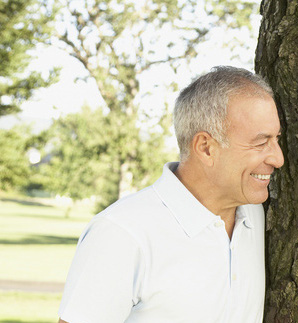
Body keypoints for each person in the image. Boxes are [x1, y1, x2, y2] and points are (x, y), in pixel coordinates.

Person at [57, 66, 284, 322]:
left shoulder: (255, 214)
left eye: (277, 139)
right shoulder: (121, 234)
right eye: (261, 142)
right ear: (206, 148)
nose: (278, 158)